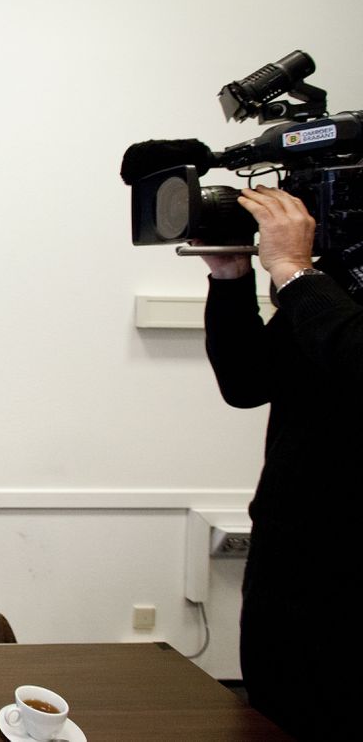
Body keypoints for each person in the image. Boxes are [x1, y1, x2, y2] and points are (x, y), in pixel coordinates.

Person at [199, 184, 358, 739]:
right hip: (290, 548)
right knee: (271, 708)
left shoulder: (312, 282)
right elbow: (248, 381)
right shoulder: (334, 283)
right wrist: (230, 275)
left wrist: (294, 269)